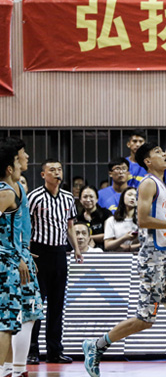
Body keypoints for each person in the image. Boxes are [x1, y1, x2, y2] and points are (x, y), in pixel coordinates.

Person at [82, 142, 166, 377]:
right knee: (145, 320)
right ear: (147, 161)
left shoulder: (163, 185)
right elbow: (142, 220)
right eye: (157, 153)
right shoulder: (148, 183)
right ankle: (97, 345)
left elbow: (158, 224)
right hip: (153, 258)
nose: (164, 155)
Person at [27, 159, 83, 365]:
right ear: (43, 175)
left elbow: (70, 226)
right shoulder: (34, 197)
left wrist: (76, 249)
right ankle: (32, 350)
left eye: (59, 169)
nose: (57, 173)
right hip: (39, 252)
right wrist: (27, 252)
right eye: (52, 170)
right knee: (36, 304)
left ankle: (54, 350)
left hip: (60, 252)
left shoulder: (68, 198)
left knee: (57, 304)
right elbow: (26, 225)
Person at [0, 139, 44, 377]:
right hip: (9, 260)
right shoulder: (5, 192)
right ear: (10, 165)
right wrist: (16, 256)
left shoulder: (18, 188)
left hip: (18, 256)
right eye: (21, 156)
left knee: (21, 317)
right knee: (10, 320)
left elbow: (21, 227)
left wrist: (24, 251)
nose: (25, 158)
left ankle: (13, 369)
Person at [103, 187, 140, 252]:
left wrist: (129, 247)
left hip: (137, 255)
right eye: (130, 195)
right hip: (117, 256)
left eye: (136, 196)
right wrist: (124, 238)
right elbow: (107, 245)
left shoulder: (142, 220)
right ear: (123, 197)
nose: (133, 198)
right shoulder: (111, 220)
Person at [76, 186, 112, 250]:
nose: (88, 200)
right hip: (85, 251)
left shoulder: (106, 213)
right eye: (85, 197)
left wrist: (89, 238)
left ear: (97, 199)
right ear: (80, 200)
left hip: (104, 251)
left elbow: (108, 235)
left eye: (91, 197)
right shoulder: (79, 218)